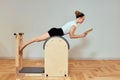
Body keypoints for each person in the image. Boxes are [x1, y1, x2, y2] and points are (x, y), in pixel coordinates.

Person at [20, 10, 88, 52]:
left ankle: (23, 46)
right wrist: (81, 35)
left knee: (37, 39)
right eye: (83, 19)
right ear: (79, 18)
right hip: (56, 32)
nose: (83, 21)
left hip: (56, 31)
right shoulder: (74, 25)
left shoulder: (73, 22)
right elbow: (71, 36)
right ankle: (23, 46)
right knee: (37, 39)